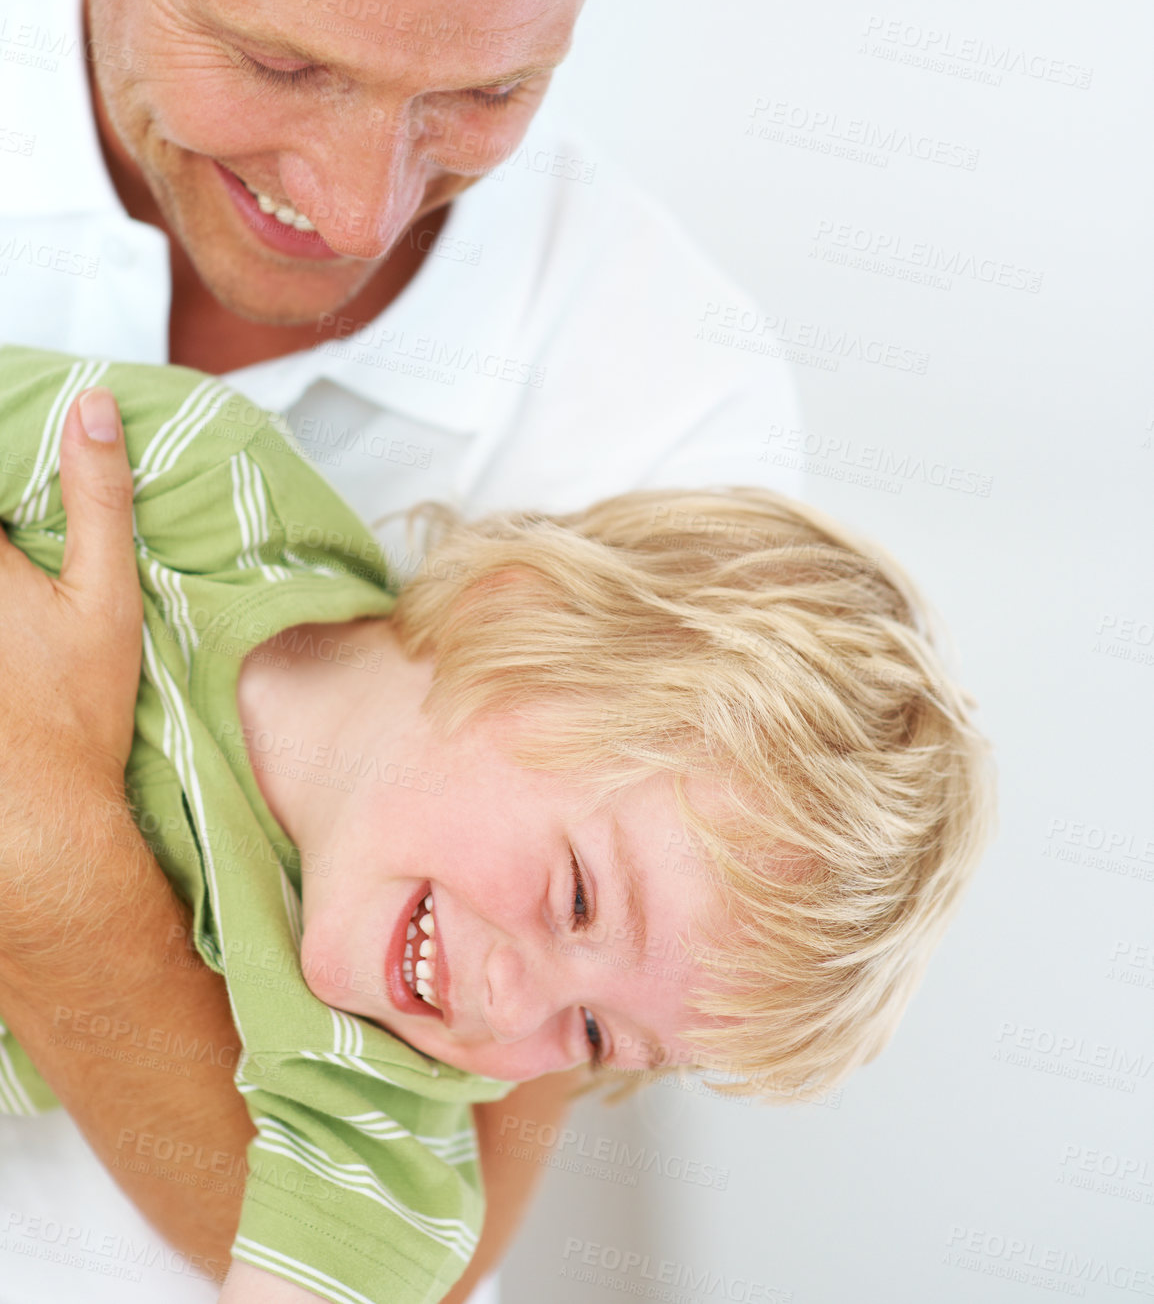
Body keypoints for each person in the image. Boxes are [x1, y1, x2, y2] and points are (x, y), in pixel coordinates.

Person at [0, 0, 806, 1299]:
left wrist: (53, 864)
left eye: (482, 92)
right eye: (277, 66)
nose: (355, 203)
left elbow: (424, 1268)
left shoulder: (663, 406)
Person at [0, 344, 994, 1304]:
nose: (511, 1007)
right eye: (576, 898)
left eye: (598, 1033)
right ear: (508, 616)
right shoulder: (189, 482)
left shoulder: (377, 1131)